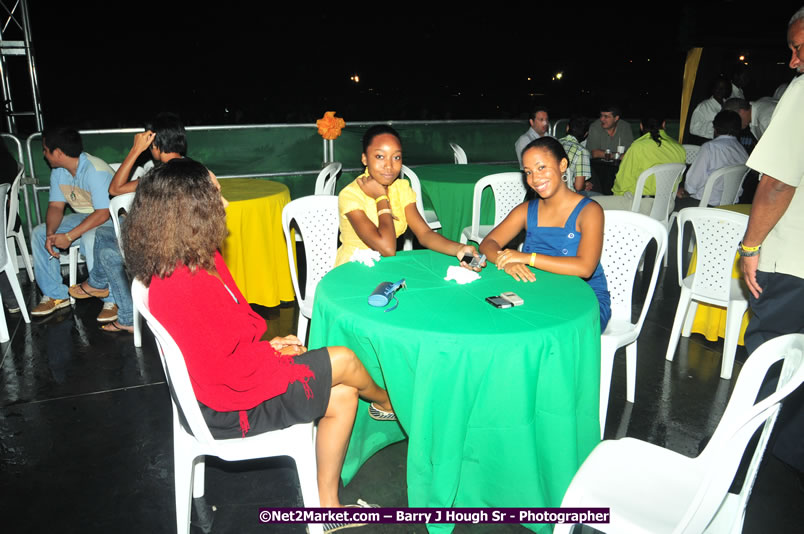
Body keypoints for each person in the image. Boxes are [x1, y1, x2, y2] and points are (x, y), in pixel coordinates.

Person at [123, 158, 394, 521]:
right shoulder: (185, 284)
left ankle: (328, 508)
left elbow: (218, 343)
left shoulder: (182, 262)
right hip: (225, 408)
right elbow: (224, 372)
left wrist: (267, 347)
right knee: (342, 359)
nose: (225, 204)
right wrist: (273, 359)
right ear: (189, 211)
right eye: (216, 196)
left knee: (343, 392)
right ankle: (392, 403)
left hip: (221, 383)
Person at [739, 6, 804, 480]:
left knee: (771, 360)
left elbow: (778, 182)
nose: (794, 62)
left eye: (800, 48)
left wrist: (749, 246)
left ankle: (741, 462)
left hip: (794, 259)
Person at [68, 113, 187, 331]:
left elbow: (114, 189)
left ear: (155, 143)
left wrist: (135, 150)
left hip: (164, 248)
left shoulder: (156, 176)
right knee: (105, 239)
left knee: (109, 253)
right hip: (183, 241)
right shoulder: (194, 168)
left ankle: (118, 308)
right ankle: (107, 296)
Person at [479, 137, 611, 332]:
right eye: (528, 172)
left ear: (563, 165)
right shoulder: (526, 210)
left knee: (537, 327)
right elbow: (488, 243)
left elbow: (585, 268)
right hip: (538, 291)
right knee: (494, 319)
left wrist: (526, 258)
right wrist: (507, 261)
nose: (535, 179)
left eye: (542, 168)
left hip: (582, 300)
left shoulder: (589, 211)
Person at [336, 125, 482, 268]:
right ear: (365, 159)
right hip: (353, 269)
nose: (389, 165)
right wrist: (381, 198)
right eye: (380, 156)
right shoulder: (351, 195)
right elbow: (387, 249)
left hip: (386, 267)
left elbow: (424, 234)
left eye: (396, 157)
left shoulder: (401, 188)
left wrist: (459, 249)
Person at [31, 127, 114, 317]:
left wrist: (69, 236)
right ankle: (55, 296)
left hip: (113, 219)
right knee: (40, 233)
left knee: (91, 237)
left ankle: (112, 301)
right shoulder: (60, 171)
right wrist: (51, 234)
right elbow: (56, 207)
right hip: (86, 217)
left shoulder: (95, 170)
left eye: (45, 149)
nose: (44, 154)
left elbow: (102, 214)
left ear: (58, 153)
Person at [593, 112, 686, 215]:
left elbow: (622, 183)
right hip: (667, 205)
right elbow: (678, 179)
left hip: (641, 205)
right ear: (664, 125)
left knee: (589, 203)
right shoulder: (679, 148)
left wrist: (616, 198)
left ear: (641, 126)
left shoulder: (637, 147)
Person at [676, 110, 748, 208]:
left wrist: (682, 190)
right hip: (729, 205)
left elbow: (692, 184)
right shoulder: (742, 151)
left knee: (671, 195)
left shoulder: (710, 147)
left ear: (715, 128)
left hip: (703, 204)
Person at [559, 115, 593, 193]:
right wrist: (584, 185)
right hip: (567, 195)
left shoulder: (555, 143)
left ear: (567, 128)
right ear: (586, 134)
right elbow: (578, 187)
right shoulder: (582, 151)